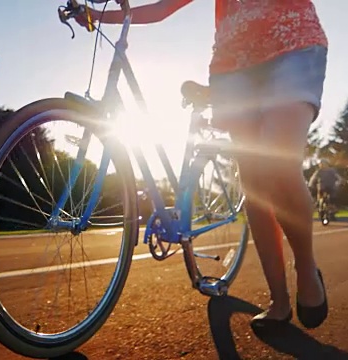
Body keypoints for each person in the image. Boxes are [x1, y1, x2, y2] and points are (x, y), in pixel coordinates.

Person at [74, 0, 329, 330]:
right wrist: (97, 15)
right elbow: (163, 7)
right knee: (254, 183)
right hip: (234, 64)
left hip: (293, 42)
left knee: (278, 167)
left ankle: (306, 269)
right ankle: (279, 301)